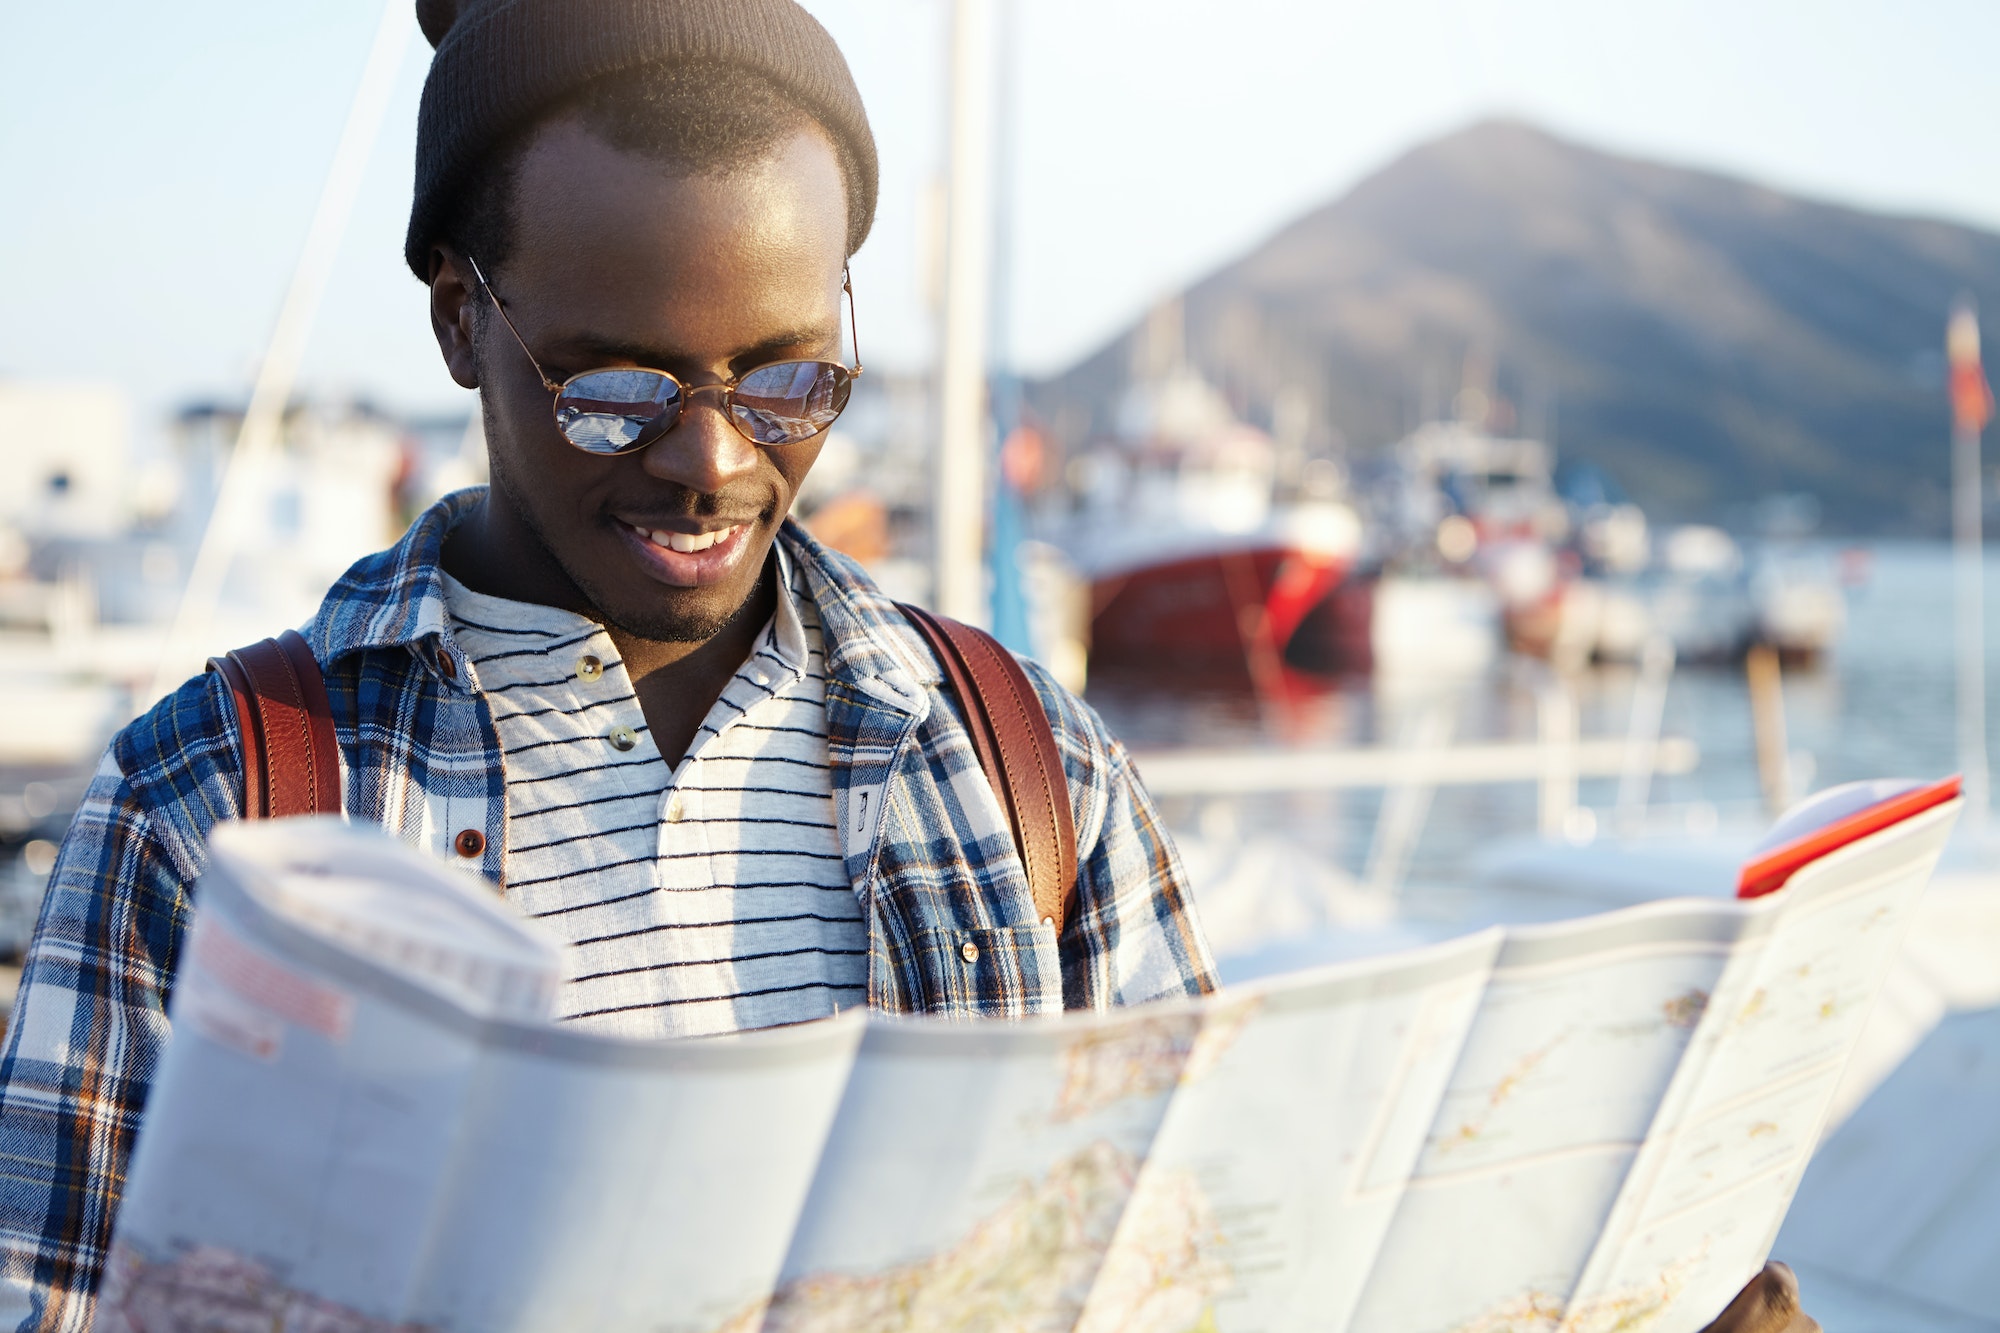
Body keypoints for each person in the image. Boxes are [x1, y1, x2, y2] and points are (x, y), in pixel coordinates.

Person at [0, 3, 1815, 1330]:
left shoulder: (1030, 767)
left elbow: (1200, 1280)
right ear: (462, 313)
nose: (711, 462)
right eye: (618, 382)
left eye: (787, 376)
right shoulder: (217, 802)